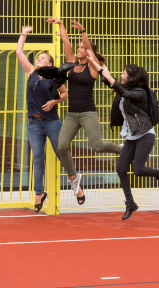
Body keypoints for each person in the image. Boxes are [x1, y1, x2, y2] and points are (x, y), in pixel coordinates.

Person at [47, 18, 122, 205]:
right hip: (72, 113)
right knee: (62, 146)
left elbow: (88, 47)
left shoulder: (93, 67)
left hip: (88, 112)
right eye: (78, 47)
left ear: (89, 52)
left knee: (97, 147)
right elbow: (65, 41)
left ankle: (123, 149)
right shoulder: (72, 64)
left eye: (81, 47)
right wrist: (60, 24)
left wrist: (83, 31)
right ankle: (74, 179)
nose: (78, 48)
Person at [87, 52, 159, 220]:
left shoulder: (140, 93)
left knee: (138, 169)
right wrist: (93, 61)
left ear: (130, 79)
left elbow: (122, 91)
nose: (121, 75)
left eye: (123, 73)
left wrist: (109, 76)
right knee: (121, 168)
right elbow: (107, 79)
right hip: (131, 136)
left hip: (145, 134)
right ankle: (130, 203)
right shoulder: (126, 89)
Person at [16, 25, 69, 212]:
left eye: (42, 57)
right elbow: (18, 51)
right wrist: (24, 33)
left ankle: (75, 182)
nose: (38, 59)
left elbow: (65, 94)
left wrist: (54, 102)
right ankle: (39, 193)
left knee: (62, 153)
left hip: (52, 122)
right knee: (37, 158)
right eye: (38, 57)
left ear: (49, 63)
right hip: (34, 123)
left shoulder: (55, 77)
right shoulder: (31, 71)